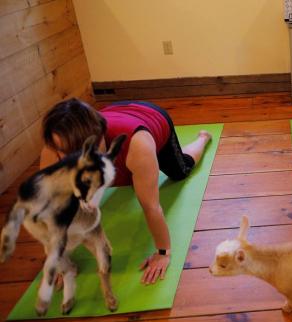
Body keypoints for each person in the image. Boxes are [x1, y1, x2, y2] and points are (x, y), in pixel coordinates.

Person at [40, 98, 212, 284]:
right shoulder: (51, 152)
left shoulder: (138, 145)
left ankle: (203, 138)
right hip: (114, 112)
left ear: (100, 136)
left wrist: (164, 253)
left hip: (150, 118)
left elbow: (151, 207)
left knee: (181, 171)